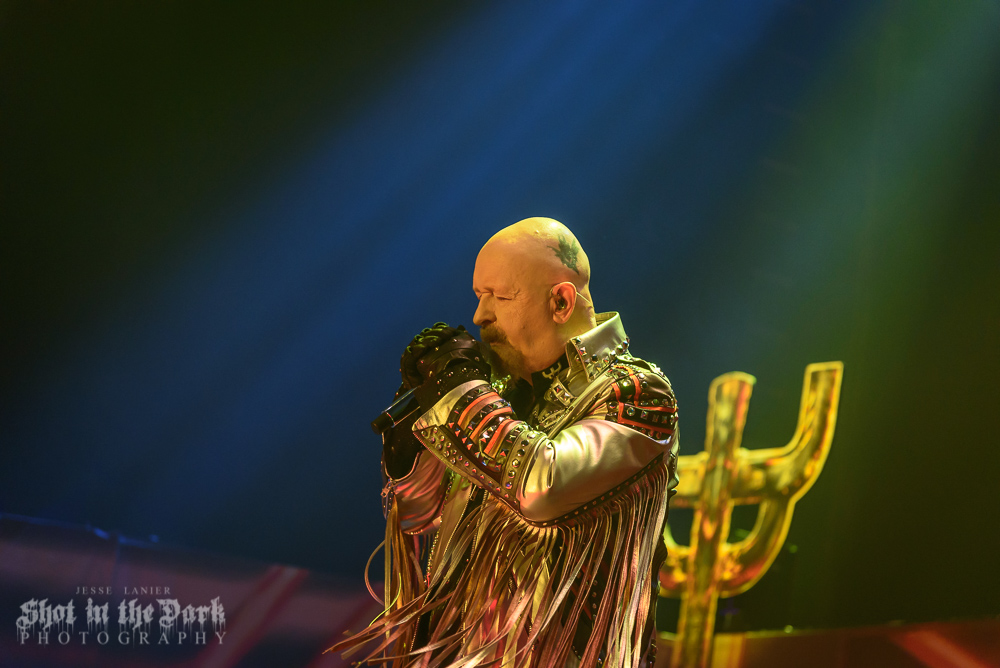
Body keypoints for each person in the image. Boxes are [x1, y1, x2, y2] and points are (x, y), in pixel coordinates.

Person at [333, 218, 679, 668]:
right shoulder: (505, 394)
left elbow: (543, 488)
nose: (480, 316)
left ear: (560, 301)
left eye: (498, 296)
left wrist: (461, 394)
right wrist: (412, 433)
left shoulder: (637, 392)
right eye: (479, 296)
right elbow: (417, 513)